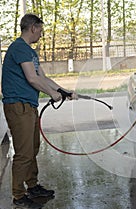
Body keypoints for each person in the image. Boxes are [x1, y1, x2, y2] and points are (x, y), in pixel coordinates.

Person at [1, 14, 77, 208]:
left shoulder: (30, 52)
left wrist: (63, 91)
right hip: (18, 106)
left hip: (29, 106)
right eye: (41, 30)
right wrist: (52, 94)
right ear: (33, 28)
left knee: (32, 148)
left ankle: (32, 186)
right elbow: (32, 80)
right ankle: (18, 196)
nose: (41, 34)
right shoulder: (19, 48)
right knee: (24, 153)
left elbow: (42, 77)